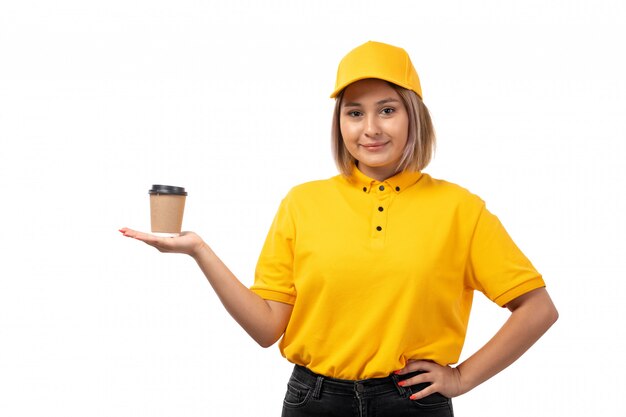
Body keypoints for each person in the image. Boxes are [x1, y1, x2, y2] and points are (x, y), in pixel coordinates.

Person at [120, 41, 558, 417]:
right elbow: (267, 329)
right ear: (340, 123)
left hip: (412, 403)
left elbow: (538, 308)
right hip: (313, 400)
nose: (370, 129)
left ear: (413, 117)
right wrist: (199, 250)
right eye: (354, 113)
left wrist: (461, 377)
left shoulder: (460, 209)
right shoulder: (302, 203)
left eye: (387, 110)